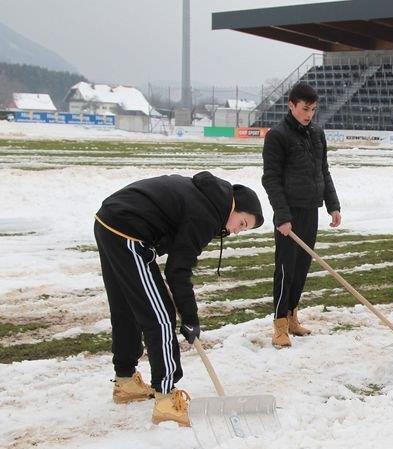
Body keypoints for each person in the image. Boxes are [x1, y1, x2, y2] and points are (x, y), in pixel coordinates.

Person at [94, 171, 264, 426]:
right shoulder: (207, 213)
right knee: (161, 317)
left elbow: (176, 255)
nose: (237, 231)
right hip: (129, 232)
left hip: (109, 222)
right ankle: (165, 397)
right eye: (242, 223)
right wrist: (190, 318)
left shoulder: (207, 199)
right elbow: (178, 270)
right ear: (235, 207)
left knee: (127, 307)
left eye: (244, 229)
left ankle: (126, 381)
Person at [262, 82, 341, 349]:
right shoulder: (277, 136)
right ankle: (280, 325)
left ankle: (293, 315)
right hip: (289, 214)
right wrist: (282, 216)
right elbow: (270, 179)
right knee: (285, 269)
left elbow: (324, 171)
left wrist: (333, 204)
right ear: (291, 105)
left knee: (302, 267)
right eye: (305, 109)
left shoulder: (317, 134)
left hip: (311, 209)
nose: (309, 115)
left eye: (313, 110)